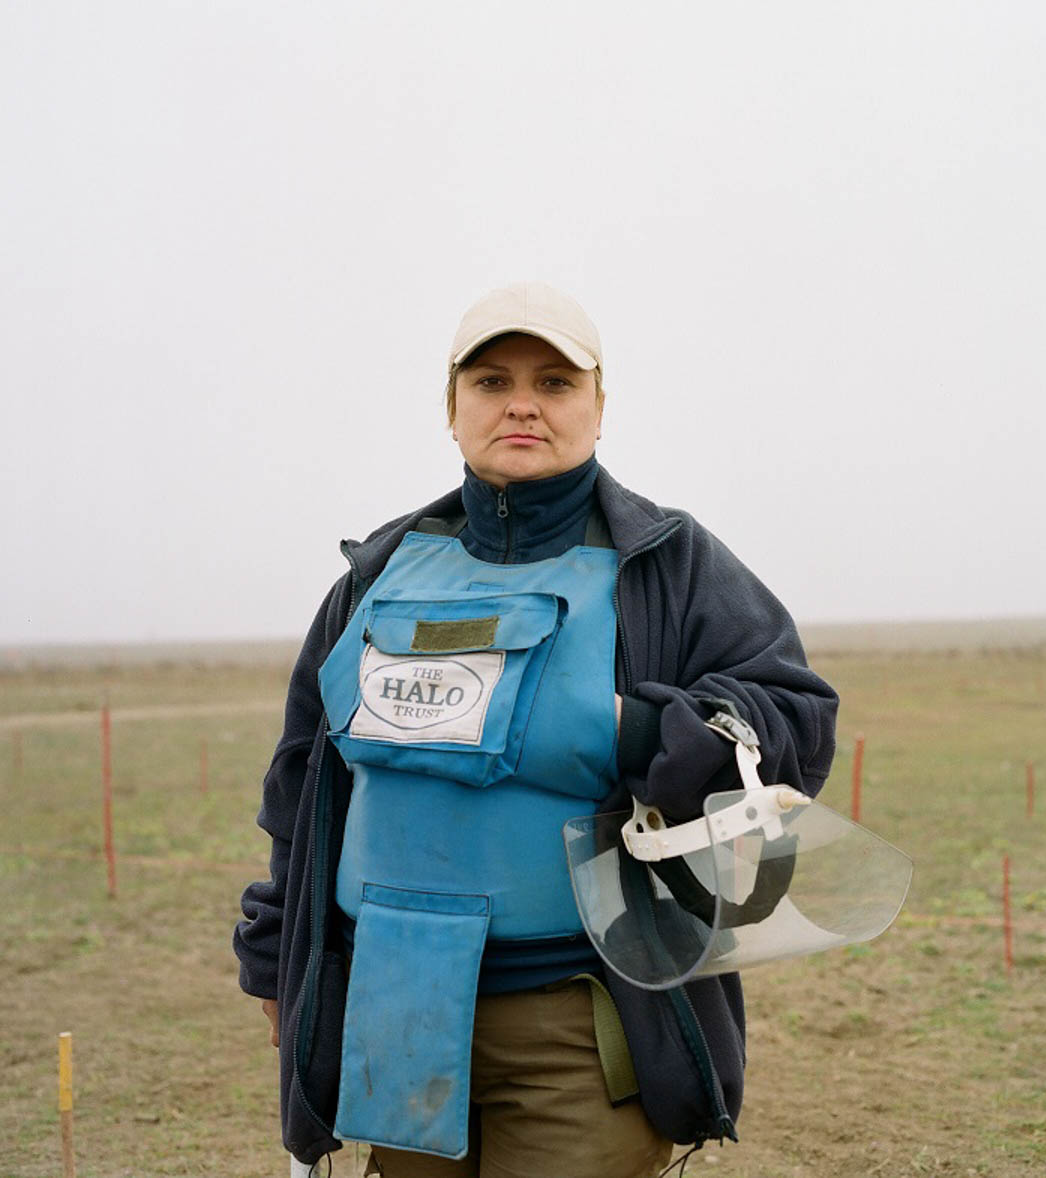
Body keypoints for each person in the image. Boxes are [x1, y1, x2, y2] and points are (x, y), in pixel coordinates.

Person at [234, 281, 839, 1178]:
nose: (522, 403)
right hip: (395, 1008)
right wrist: (279, 959)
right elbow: (303, 785)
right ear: (452, 409)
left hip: (577, 1023)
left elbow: (796, 716)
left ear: (600, 409)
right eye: (490, 381)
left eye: (556, 382)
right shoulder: (379, 573)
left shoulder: (668, 562)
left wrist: (643, 735)